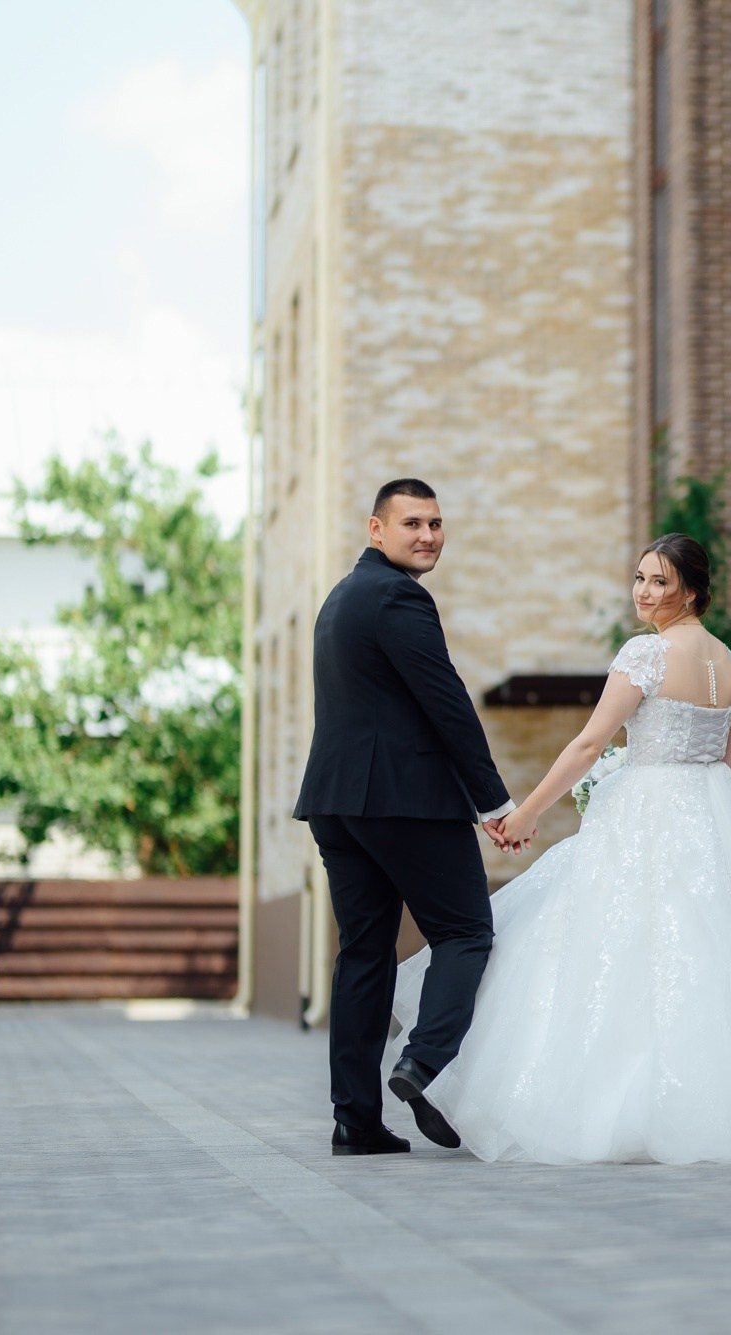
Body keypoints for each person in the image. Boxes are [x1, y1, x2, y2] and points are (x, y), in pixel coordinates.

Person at [388, 533, 731, 1164]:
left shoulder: (646, 654)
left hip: (648, 809)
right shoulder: (729, 663)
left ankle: (573, 1097)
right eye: (639, 578)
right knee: (726, 946)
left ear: (690, 588)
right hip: (715, 814)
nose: (644, 592)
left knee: (607, 940)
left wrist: (527, 813)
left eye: (659, 581)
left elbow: (587, 744)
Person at [296, 478, 519, 1156]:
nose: (428, 535)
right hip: (403, 800)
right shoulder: (398, 596)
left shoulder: (341, 598)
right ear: (376, 529)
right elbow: (445, 701)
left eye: (436, 523)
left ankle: (354, 1121)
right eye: (412, 523)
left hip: (339, 802)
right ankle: (422, 1062)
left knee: (364, 955)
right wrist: (494, 801)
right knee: (465, 931)